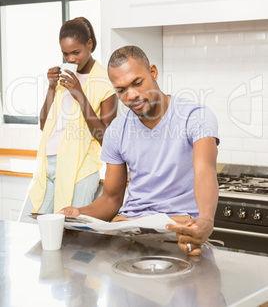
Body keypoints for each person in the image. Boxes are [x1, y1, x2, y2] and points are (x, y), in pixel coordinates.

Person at [59, 45, 219, 255]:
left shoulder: (195, 116)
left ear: (153, 72)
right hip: (129, 229)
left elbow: (205, 171)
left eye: (137, 83)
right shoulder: (117, 130)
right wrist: (78, 214)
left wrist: (206, 220)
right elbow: (111, 199)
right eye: (121, 90)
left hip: (179, 226)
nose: (132, 95)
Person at [19, 17, 117, 221]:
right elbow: (44, 125)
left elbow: (107, 138)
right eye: (65, 53)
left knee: (71, 233)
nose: (70, 59)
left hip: (80, 168)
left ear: (89, 45)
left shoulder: (105, 81)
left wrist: (80, 95)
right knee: (27, 225)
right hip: (48, 166)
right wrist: (51, 87)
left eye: (76, 52)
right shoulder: (63, 78)